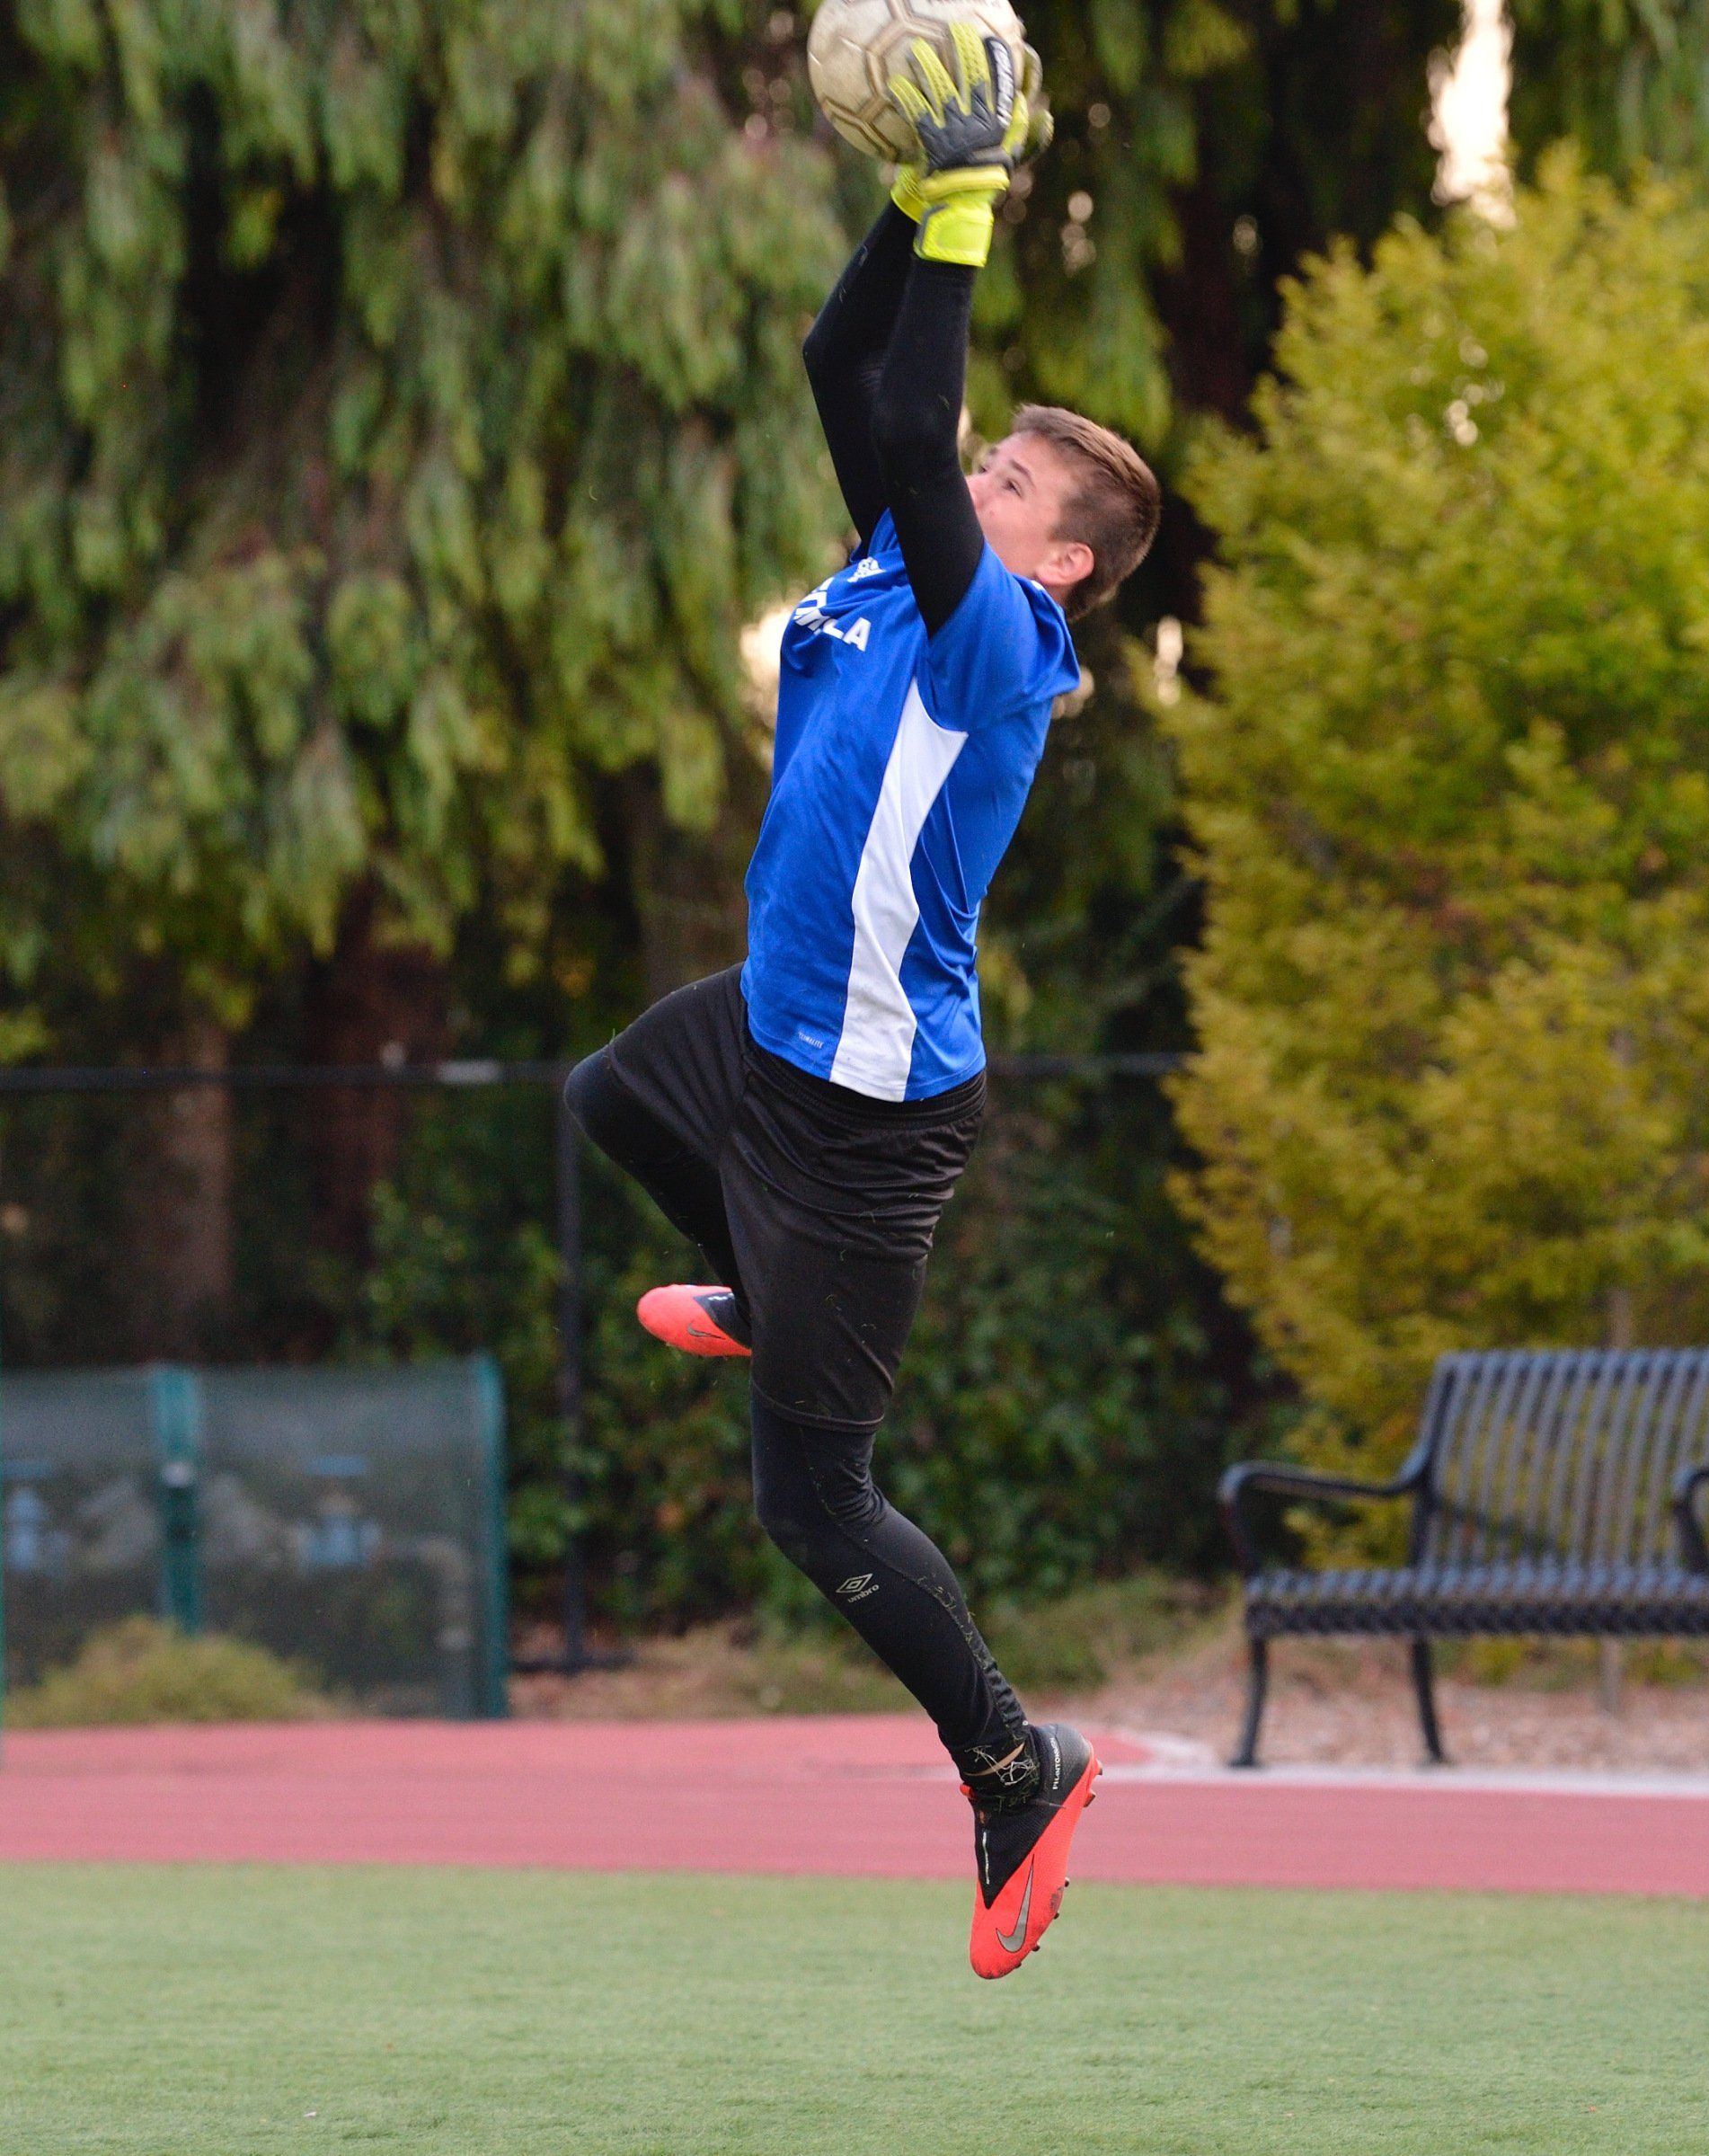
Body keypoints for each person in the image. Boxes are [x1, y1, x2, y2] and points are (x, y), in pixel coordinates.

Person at [566, 25, 1160, 1979]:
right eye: (985, 463)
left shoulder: (998, 634)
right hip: (769, 1030)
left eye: (1011, 477)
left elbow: (913, 430)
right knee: (613, 1096)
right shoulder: (900, 579)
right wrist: (909, 204)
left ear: (1058, 553)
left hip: (863, 1112)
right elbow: (857, 377)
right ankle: (758, 1287)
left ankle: (1013, 1758)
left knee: (816, 1505)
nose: (973, 469)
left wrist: (975, 200)